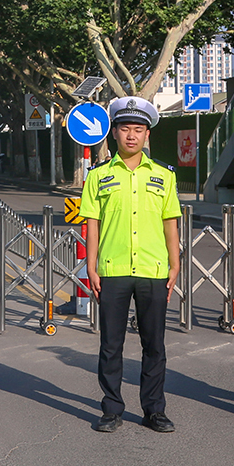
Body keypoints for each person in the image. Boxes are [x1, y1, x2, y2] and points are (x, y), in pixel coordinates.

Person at [81, 97, 182, 434]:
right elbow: (92, 222)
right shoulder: (99, 176)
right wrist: (91, 266)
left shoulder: (164, 176)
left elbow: (170, 222)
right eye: (125, 129)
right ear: (114, 133)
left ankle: (154, 410)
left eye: (138, 129)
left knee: (154, 345)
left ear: (147, 135)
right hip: (113, 269)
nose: (131, 135)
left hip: (154, 269)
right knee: (111, 345)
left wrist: (175, 263)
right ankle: (111, 409)